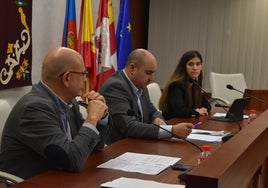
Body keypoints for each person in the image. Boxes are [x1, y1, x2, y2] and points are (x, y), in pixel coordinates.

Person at [0, 47, 109, 179]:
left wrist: (100, 117)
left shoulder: (69, 101)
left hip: (59, 177)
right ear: (67, 78)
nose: (85, 79)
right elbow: (71, 160)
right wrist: (91, 118)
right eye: (83, 74)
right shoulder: (34, 109)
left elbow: (95, 147)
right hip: (32, 182)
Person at [99, 48, 193, 144]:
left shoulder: (140, 84)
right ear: (132, 68)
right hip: (119, 147)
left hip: (139, 143)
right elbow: (128, 126)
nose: (152, 78)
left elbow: (152, 110)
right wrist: (171, 131)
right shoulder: (115, 87)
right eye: (148, 73)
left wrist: (158, 119)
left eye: (153, 73)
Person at [159, 50, 211, 120]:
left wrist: (204, 109)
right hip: (173, 125)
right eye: (191, 64)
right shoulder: (176, 85)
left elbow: (207, 104)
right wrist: (197, 112)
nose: (195, 68)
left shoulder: (194, 83)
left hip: (186, 122)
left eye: (198, 64)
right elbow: (179, 111)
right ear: (184, 67)